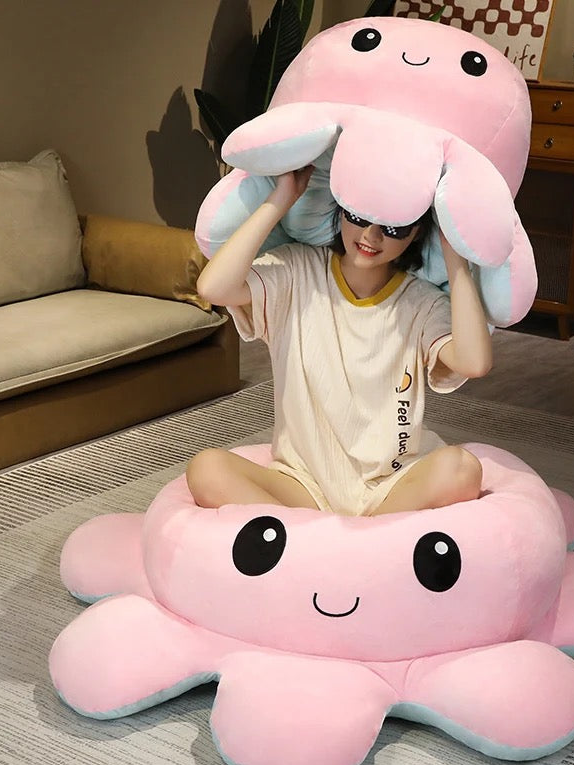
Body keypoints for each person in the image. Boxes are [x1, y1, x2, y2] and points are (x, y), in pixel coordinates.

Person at [187, 166, 493, 516]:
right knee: (207, 468)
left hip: (393, 484)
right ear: (340, 209)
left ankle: (325, 540)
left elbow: (474, 362)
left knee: (462, 469)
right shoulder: (296, 269)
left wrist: (454, 257)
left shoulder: (422, 302)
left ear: (416, 233)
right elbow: (213, 288)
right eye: (358, 217)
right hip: (303, 482)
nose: (371, 236)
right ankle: (362, 539)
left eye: (393, 228)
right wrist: (283, 196)